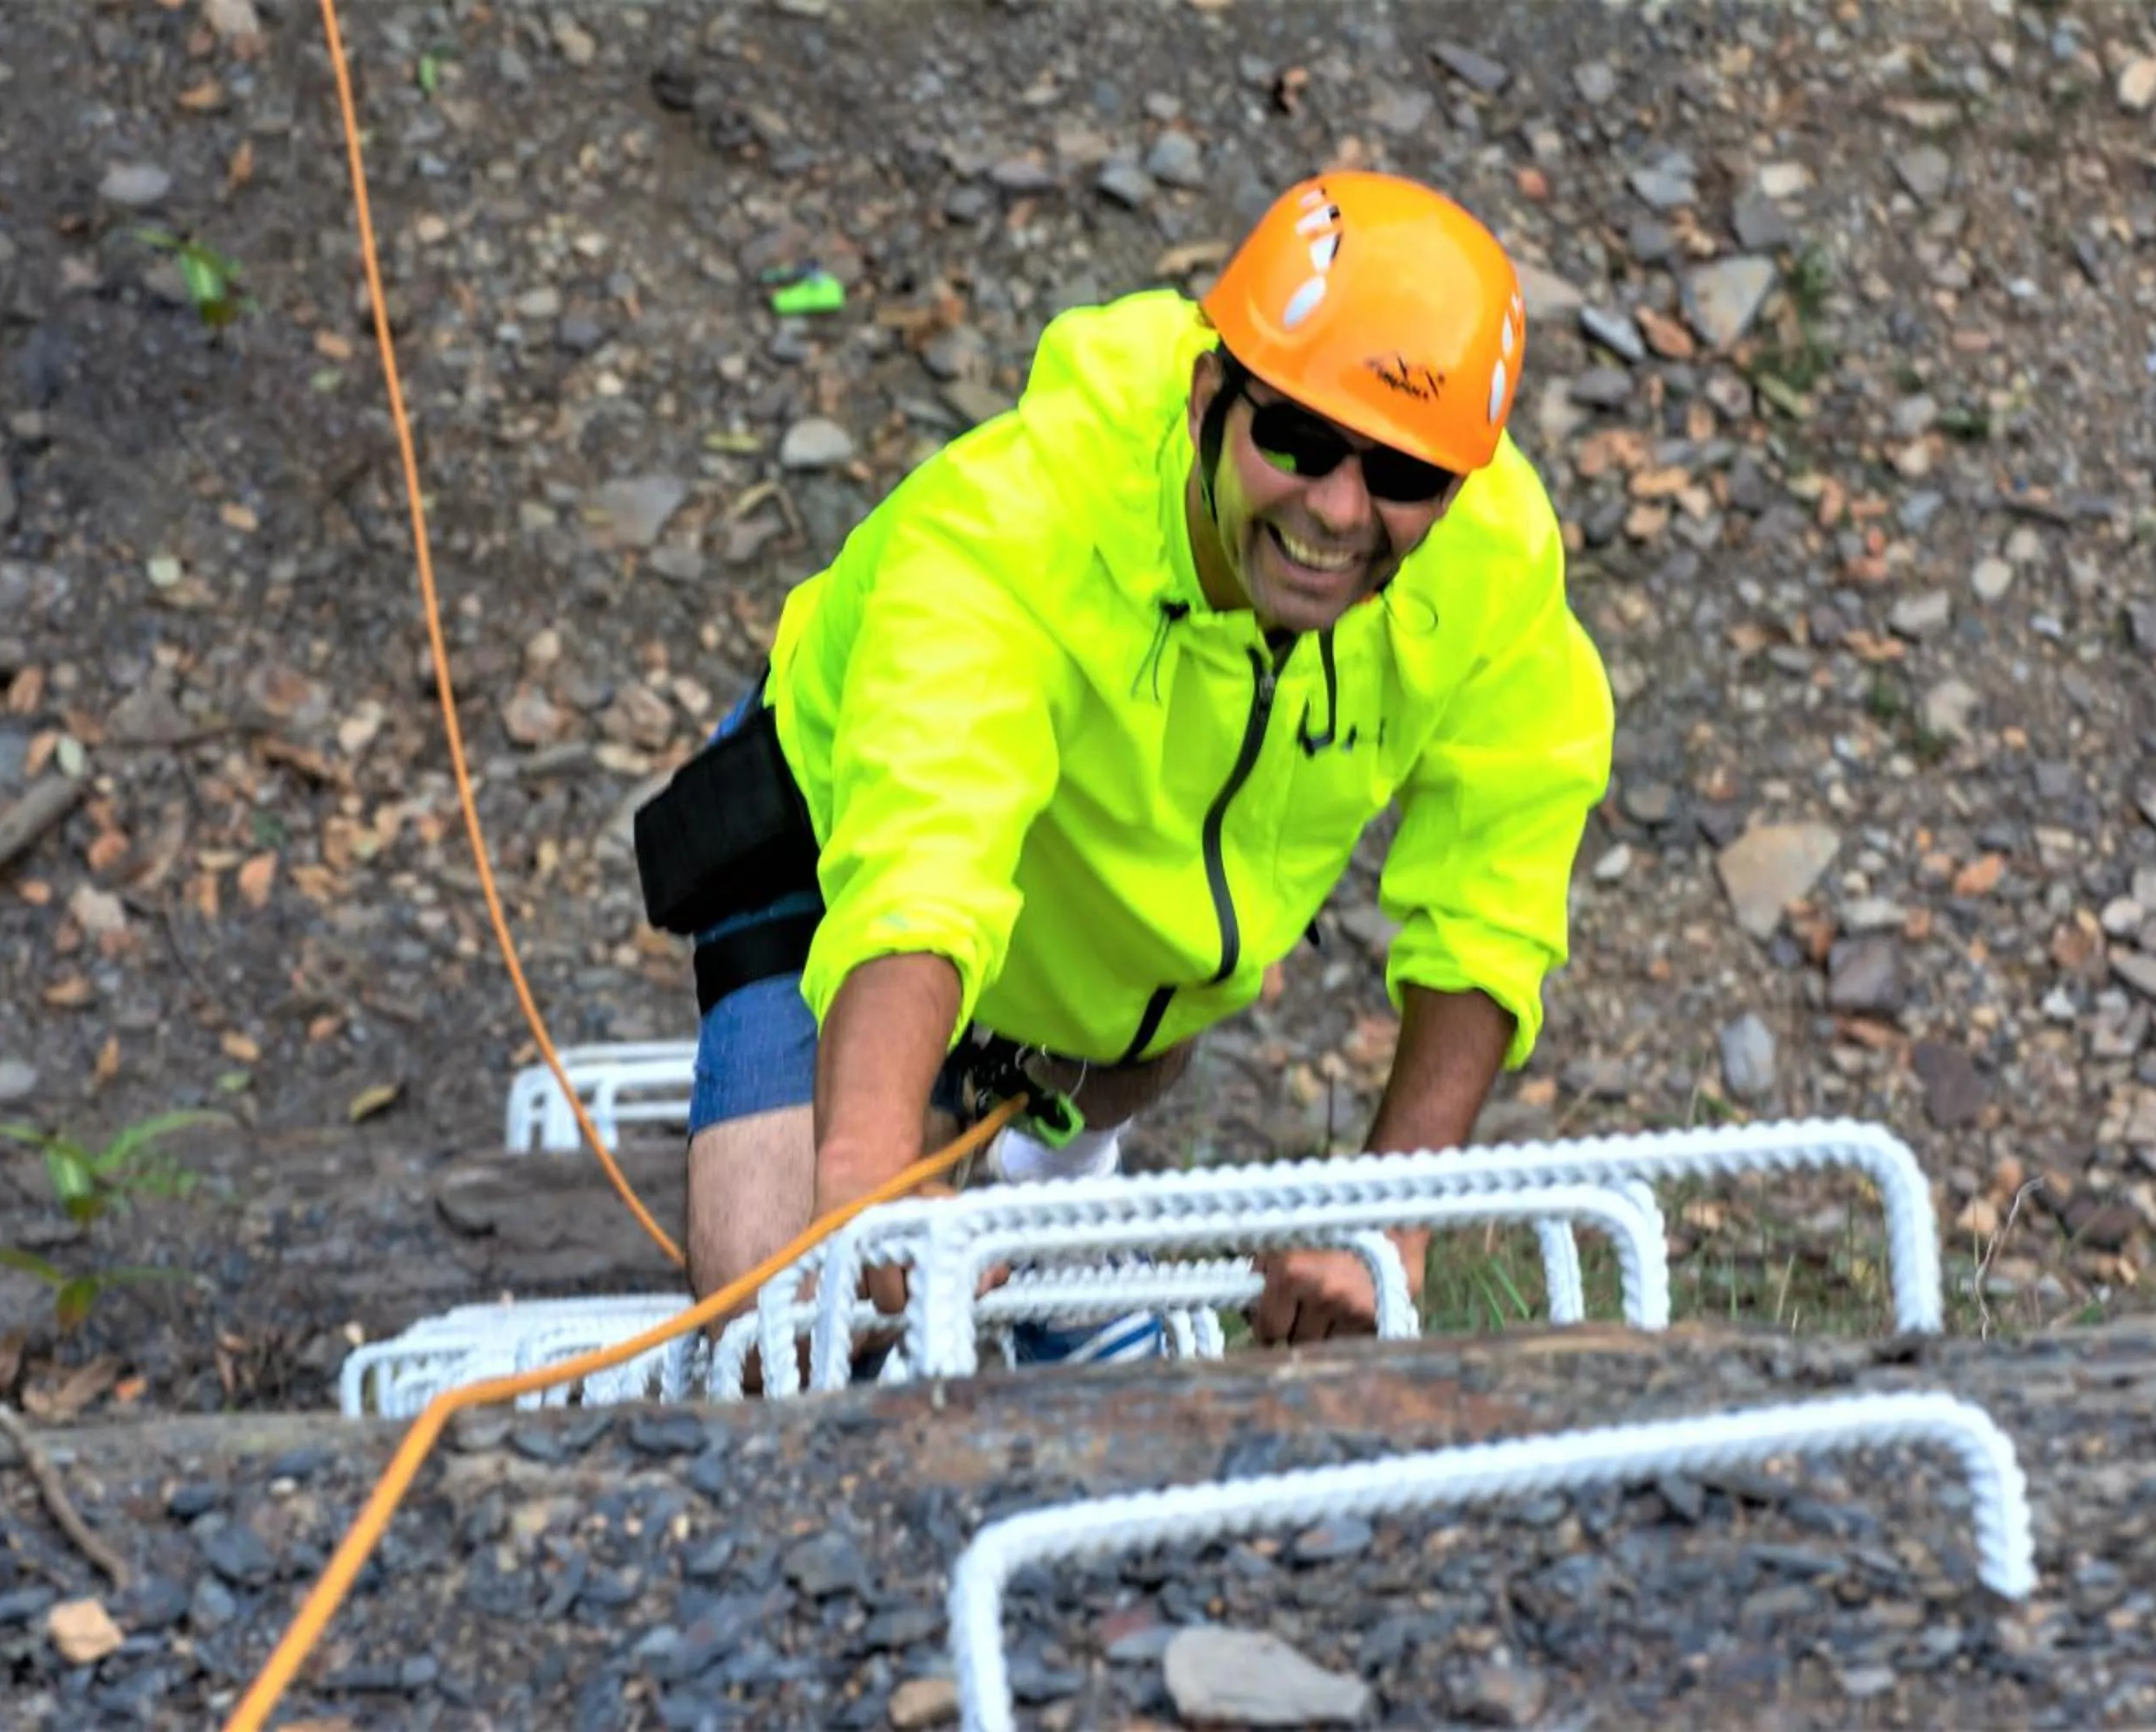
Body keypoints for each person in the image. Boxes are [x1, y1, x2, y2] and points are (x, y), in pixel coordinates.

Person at [632, 168, 1615, 1371]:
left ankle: (1048, 1186)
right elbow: (922, 854)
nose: (1341, 510)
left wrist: (1388, 1218)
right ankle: (957, 1174)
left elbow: (1492, 895)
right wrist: (868, 1173)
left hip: (1107, 977)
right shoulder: (1020, 520)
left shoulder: (1492, 564)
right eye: (1297, 439)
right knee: (784, 1333)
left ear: (1456, 485)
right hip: (834, 856)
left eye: (1402, 476)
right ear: (1210, 396)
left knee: (1129, 1006)